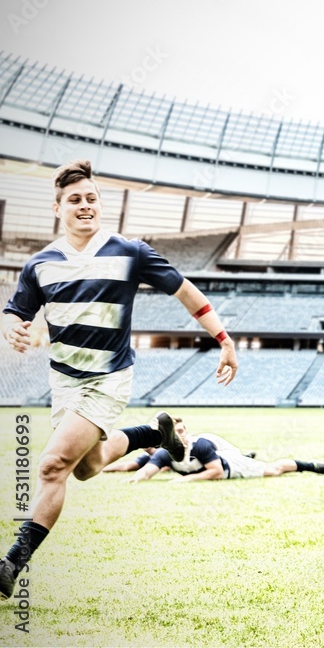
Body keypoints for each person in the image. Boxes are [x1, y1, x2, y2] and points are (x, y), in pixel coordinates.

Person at [0, 160, 238, 601]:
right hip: (65, 381)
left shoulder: (131, 252)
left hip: (109, 377)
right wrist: (11, 323)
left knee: (52, 465)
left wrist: (223, 339)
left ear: (100, 205)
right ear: (58, 208)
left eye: (91, 198)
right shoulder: (39, 266)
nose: (85, 206)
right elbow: (17, 310)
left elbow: (187, 292)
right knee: (87, 467)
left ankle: (11, 562)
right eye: (75, 200)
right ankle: (155, 434)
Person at [124, 416, 324, 482]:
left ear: (187, 432)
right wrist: (135, 479)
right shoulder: (163, 453)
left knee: (273, 470)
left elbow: (216, 472)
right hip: (212, 463)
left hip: (230, 466)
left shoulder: (200, 445)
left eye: (182, 431)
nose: (179, 435)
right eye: (174, 431)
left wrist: (187, 479)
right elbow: (147, 470)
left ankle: (310, 466)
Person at [101, 417, 255, 473]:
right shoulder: (160, 453)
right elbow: (130, 466)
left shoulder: (201, 442)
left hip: (229, 457)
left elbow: (167, 465)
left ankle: (246, 456)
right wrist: (103, 468)